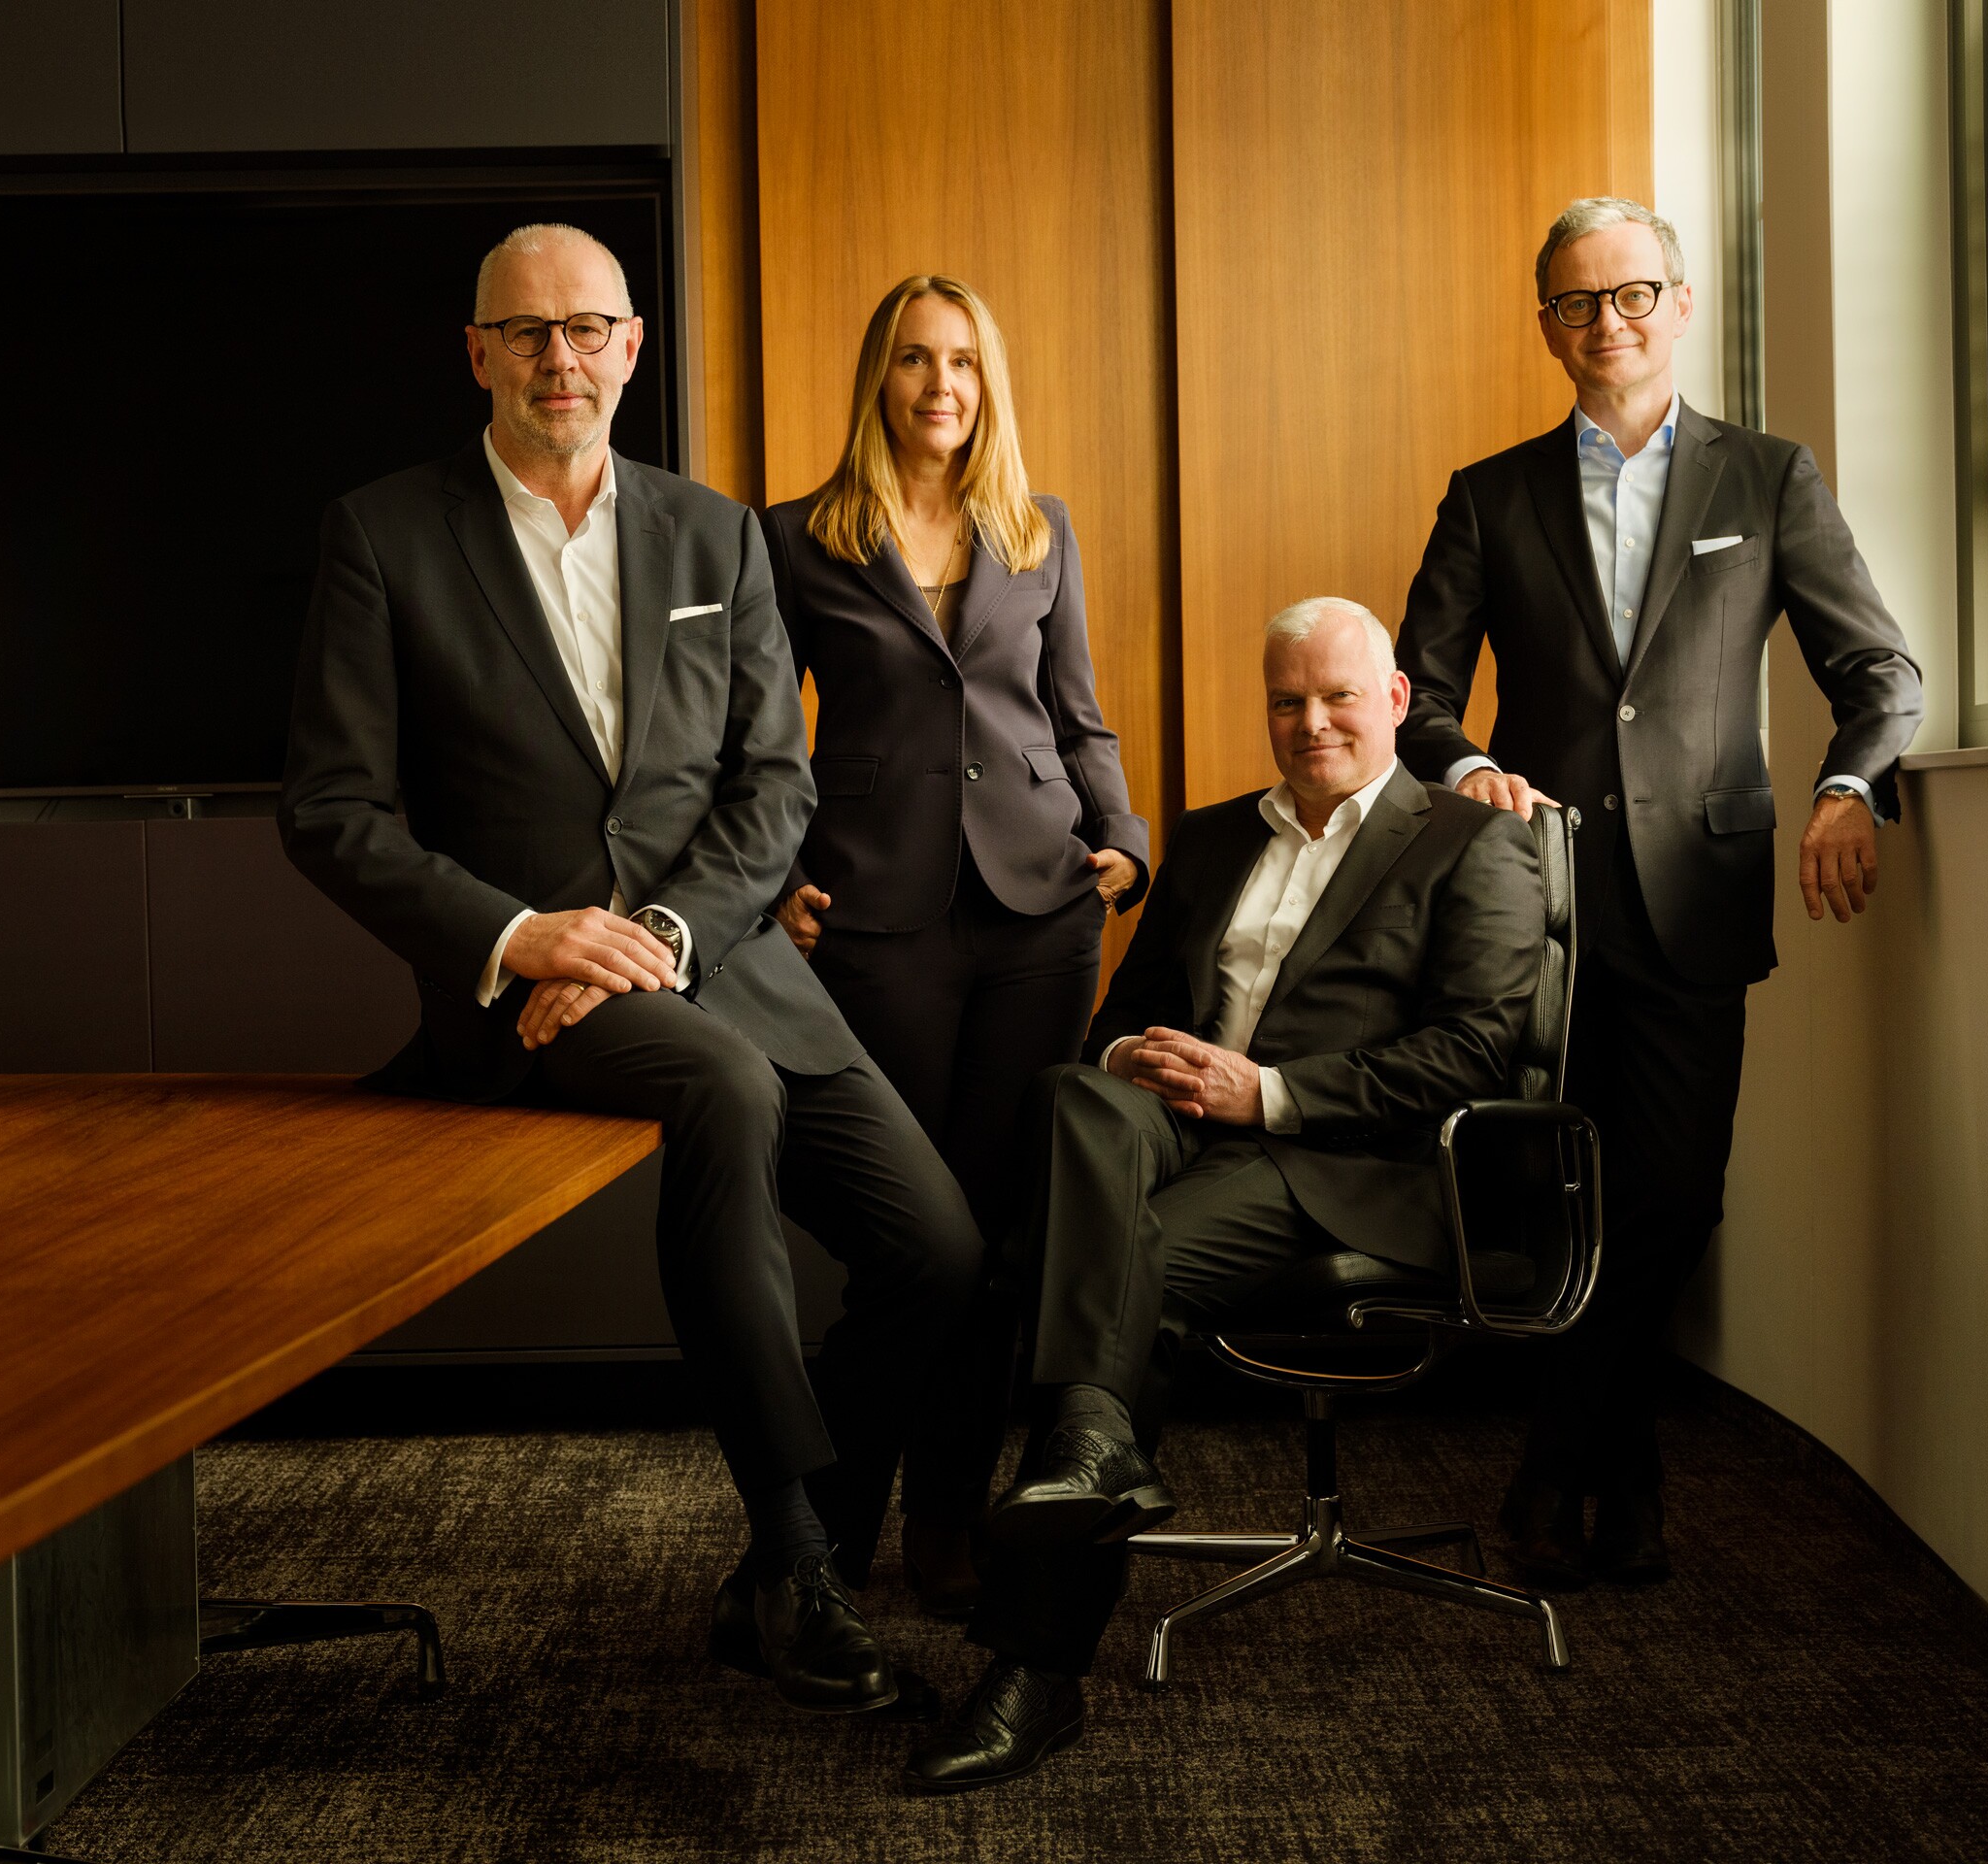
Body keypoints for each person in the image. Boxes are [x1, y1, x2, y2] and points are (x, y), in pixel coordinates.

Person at [278, 222, 984, 1717]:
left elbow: (773, 785)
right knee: (724, 1089)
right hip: (523, 997)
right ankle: (796, 1563)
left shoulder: (714, 534)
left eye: (589, 329)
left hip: (722, 962)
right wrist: (523, 935)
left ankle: (785, 1563)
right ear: (477, 353)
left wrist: (661, 938)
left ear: (633, 348)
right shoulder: (384, 534)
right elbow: (333, 813)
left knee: (939, 1249)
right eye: (529, 333)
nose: (563, 358)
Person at [900, 598, 1548, 1792]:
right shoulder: (1208, 841)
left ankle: (1034, 1668)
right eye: (1287, 702)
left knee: (1107, 1269)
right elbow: (1121, 1021)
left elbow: (1475, 1053)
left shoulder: (1470, 842)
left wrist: (1269, 1094)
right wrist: (1128, 1057)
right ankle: (1092, 1448)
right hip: (1177, 1134)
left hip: (1347, 1164)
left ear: (1395, 701)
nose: (1312, 723)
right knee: (1074, 1093)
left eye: (1339, 697)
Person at [1392, 197, 1924, 1589]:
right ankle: (1621, 1488)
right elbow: (1417, 699)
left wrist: (1849, 786)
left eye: (1632, 294)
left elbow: (1880, 671)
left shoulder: (1768, 477)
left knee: (1677, 1200)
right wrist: (1471, 770)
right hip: (1539, 905)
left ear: (1681, 305)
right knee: (1559, 1196)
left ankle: (1552, 1463)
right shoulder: (1489, 495)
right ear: (1547, 326)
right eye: (1577, 302)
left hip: (1699, 896)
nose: (1608, 321)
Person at [763, 275, 1150, 1618]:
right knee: (909, 1240)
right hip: (876, 918)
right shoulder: (797, 537)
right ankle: (826, 1530)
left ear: (990, 384)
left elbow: (1077, 713)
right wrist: (776, 882)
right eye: (917, 360)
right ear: (879, 378)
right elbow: (756, 737)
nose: (943, 385)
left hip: (1041, 914)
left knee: (995, 1237)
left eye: (966, 363)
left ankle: (945, 1522)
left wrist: (1124, 837)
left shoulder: (1038, 529)